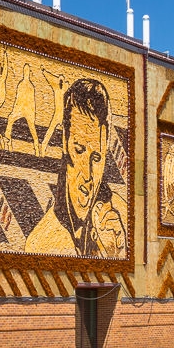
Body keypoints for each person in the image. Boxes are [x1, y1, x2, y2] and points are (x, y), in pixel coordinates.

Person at [25, 78, 126, 258]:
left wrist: (116, 255)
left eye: (96, 158)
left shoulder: (122, 218)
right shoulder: (40, 242)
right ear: (64, 141)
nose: (87, 174)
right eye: (79, 151)